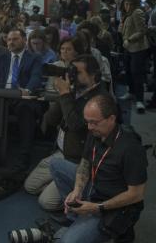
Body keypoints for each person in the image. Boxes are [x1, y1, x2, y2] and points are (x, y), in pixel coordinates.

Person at [50, 94, 147, 243]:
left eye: (94, 122)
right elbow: (85, 163)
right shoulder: (95, 132)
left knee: (67, 242)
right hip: (95, 189)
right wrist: (77, 190)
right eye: (88, 122)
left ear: (112, 119)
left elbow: (136, 195)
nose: (89, 127)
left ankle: (95, 225)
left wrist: (96, 207)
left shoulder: (131, 149)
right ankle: (75, 216)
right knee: (56, 165)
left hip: (111, 206)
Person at [25, 55, 107, 211]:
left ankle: (74, 188)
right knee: (30, 186)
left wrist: (65, 95)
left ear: (94, 75)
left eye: (78, 73)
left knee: (46, 202)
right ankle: (61, 181)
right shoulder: (75, 91)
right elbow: (49, 120)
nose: (72, 76)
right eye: (72, 71)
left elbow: (76, 125)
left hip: (79, 160)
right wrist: (63, 94)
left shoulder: (99, 100)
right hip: (62, 153)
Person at [0, 28, 43, 169]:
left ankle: (24, 155)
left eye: (15, 39)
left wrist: (27, 90)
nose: (11, 42)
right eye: (9, 39)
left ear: (24, 40)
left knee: (25, 109)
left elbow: (36, 78)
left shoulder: (34, 58)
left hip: (22, 98)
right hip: (2, 98)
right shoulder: (0, 59)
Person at [119, 0, 150, 113]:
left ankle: (140, 100)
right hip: (127, 48)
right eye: (125, 3)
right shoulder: (127, 14)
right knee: (128, 71)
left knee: (137, 73)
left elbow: (142, 31)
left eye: (129, 4)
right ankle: (131, 93)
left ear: (133, 4)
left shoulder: (137, 12)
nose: (126, 6)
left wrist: (129, 39)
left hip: (137, 48)